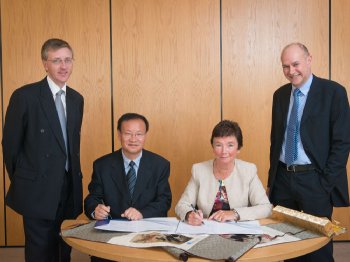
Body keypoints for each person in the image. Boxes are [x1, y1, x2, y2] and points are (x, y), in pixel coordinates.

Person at [2, 38, 84, 262]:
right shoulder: (25, 96)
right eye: (56, 60)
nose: (63, 66)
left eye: (68, 60)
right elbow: (10, 145)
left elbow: (71, 146)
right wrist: (25, 179)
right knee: (40, 253)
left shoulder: (77, 99)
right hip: (37, 188)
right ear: (44, 64)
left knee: (64, 248)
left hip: (69, 187)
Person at [268, 43, 350, 262]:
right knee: (288, 244)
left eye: (295, 64)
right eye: (285, 66)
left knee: (318, 248)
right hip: (284, 179)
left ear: (309, 60)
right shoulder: (280, 95)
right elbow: (276, 141)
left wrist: (326, 183)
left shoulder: (333, 92)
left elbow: (342, 142)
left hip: (315, 180)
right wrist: (272, 181)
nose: (291, 71)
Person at [175, 120, 272, 225]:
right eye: (218, 145)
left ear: (238, 148)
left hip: (238, 233)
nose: (224, 151)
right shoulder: (199, 170)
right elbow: (181, 205)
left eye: (230, 145)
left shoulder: (248, 171)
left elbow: (266, 208)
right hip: (206, 231)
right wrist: (189, 214)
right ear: (213, 148)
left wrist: (235, 214)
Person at [84, 112, 172, 220]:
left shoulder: (160, 165)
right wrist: (95, 210)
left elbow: (164, 201)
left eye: (139, 134)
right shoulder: (102, 165)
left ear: (145, 135)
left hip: (148, 228)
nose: (133, 139)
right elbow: (93, 198)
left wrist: (142, 213)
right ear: (119, 134)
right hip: (114, 228)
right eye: (128, 133)